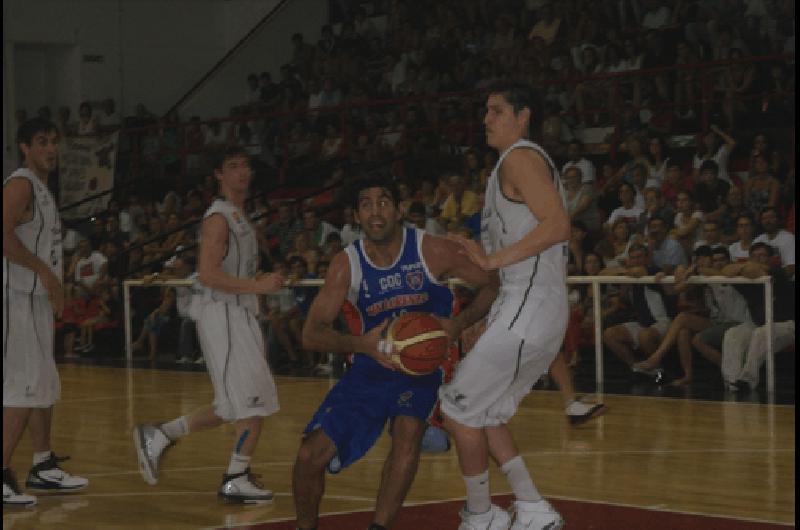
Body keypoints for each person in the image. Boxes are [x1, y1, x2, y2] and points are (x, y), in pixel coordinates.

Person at [292, 177, 499, 530]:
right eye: (367, 204)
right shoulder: (347, 264)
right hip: (370, 368)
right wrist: (362, 344)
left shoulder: (432, 250)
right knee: (310, 456)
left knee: (407, 433)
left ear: (399, 209)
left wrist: (458, 323)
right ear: (356, 215)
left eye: (384, 202)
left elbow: (491, 283)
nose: (376, 211)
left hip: (422, 370)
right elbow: (311, 334)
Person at [440, 82, 570, 529]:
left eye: (496, 111)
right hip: (527, 309)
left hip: (530, 309)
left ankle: (481, 516)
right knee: (485, 411)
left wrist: (491, 258)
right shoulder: (505, 171)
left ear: (523, 116)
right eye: (486, 111)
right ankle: (532, 508)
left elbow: (557, 225)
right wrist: (472, 259)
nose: (486, 119)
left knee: (457, 408)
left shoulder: (520, 157)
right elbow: (501, 271)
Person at [133, 145, 286, 503]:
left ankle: (160, 435)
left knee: (230, 406)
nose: (242, 173)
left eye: (246, 166)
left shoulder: (240, 216)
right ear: (218, 174)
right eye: (233, 167)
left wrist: (258, 282)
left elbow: (230, 272)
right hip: (224, 314)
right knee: (253, 402)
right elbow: (207, 273)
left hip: (238, 314)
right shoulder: (219, 218)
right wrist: (257, 286)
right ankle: (236, 476)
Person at [4, 118, 89, 507]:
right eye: (42, 142)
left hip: (36, 299)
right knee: (22, 388)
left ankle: (42, 464)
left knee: (41, 386)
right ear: (25, 147)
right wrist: (43, 273)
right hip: (16, 296)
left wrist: (56, 279)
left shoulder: (42, 189)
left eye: (54, 141)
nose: (51, 148)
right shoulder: (21, 183)